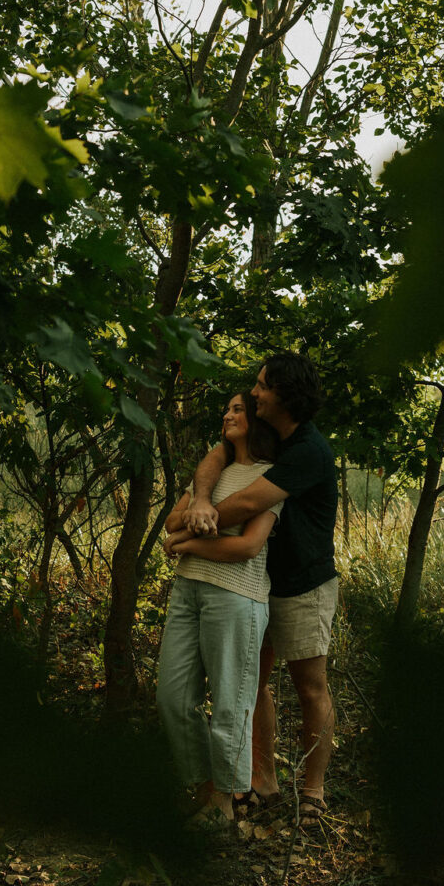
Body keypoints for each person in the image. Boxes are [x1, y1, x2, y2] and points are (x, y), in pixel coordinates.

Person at [182, 353, 338, 822]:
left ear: (287, 396)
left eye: (262, 386)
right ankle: (262, 781)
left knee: (310, 687)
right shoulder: (267, 435)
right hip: (255, 582)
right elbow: (216, 455)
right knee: (254, 684)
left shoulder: (308, 450)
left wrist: (190, 528)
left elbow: (249, 502)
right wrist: (203, 498)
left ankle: (313, 791)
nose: (253, 393)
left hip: (302, 584)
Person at [156, 392, 284, 828]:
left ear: (257, 419)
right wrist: (196, 511)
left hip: (237, 595)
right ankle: (200, 786)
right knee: (173, 697)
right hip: (187, 590)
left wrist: (191, 541)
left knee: (231, 701)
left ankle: (224, 802)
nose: (226, 415)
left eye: (237, 409)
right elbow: (171, 520)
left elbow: (248, 546)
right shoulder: (211, 474)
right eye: (226, 409)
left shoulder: (269, 477)